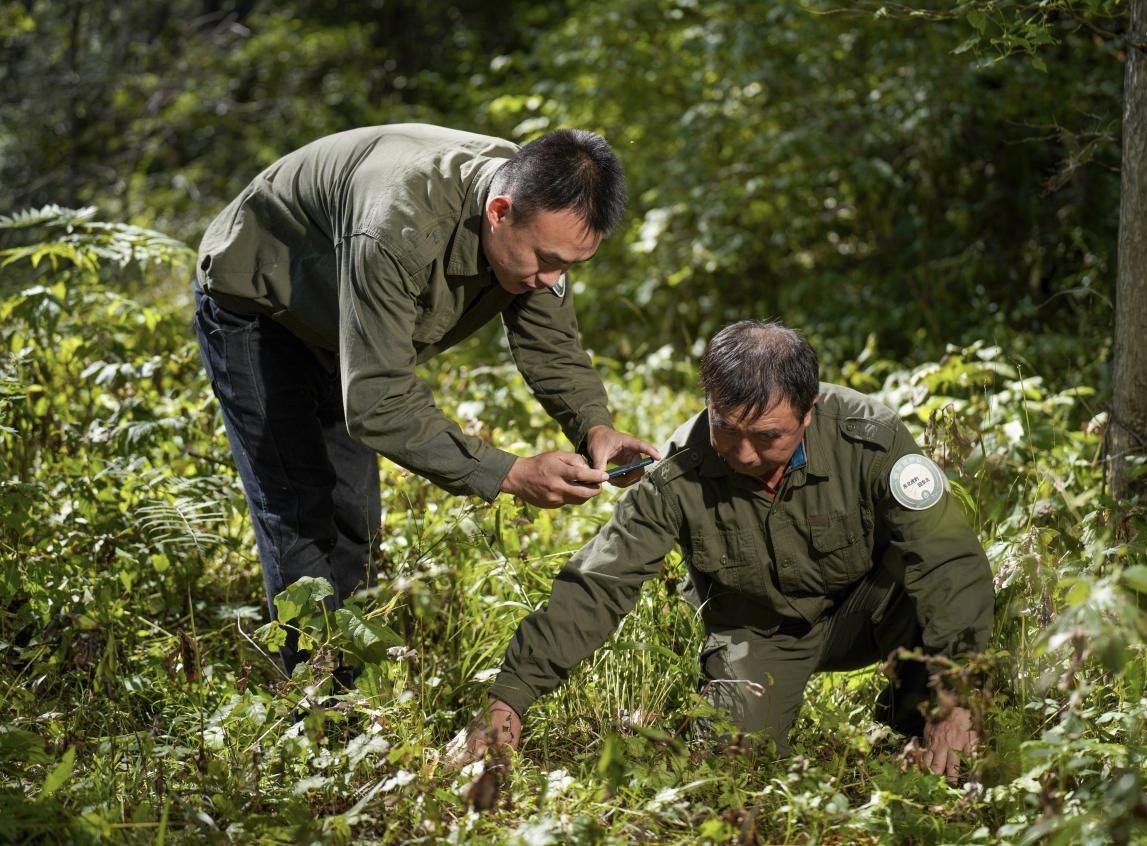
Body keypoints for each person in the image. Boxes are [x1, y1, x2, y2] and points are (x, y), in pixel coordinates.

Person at [193, 124, 658, 673]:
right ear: (499, 211)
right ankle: (314, 702)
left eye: (570, 267)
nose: (552, 279)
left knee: (353, 517)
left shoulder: (537, 215)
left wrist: (595, 428)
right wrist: (509, 472)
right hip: (261, 301)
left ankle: (348, 685)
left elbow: (550, 343)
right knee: (300, 511)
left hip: (342, 320)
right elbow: (378, 402)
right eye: (547, 259)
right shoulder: (399, 226)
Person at [445, 321, 993, 780]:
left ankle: (915, 714)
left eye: (769, 436)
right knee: (729, 767)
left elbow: (949, 563)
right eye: (727, 429)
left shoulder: (870, 439)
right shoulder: (678, 473)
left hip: (871, 611)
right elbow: (599, 584)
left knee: (930, 598)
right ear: (708, 404)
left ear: (809, 411)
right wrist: (508, 700)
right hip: (760, 634)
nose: (745, 454)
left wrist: (959, 696)